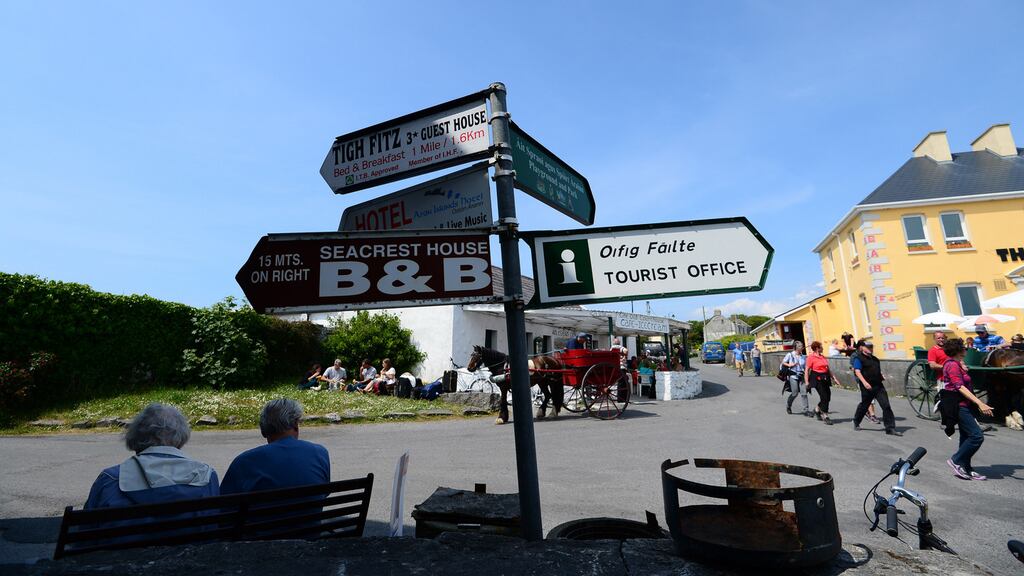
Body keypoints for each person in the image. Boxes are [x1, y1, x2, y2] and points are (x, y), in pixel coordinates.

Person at [85, 403, 219, 510]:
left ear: (136, 436)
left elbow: (84, 532)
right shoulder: (206, 477)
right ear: (181, 437)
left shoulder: (111, 479)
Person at [221, 398, 330, 494]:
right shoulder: (320, 453)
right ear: (295, 425)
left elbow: (223, 506)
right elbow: (324, 492)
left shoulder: (244, 462)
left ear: (263, 431)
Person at [939, 338, 993, 481]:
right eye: (963, 347)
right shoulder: (952, 365)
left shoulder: (958, 364)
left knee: (966, 437)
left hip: (965, 405)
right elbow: (960, 387)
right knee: (976, 436)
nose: (966, 349)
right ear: (958, 350)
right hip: (959, 405)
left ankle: (966, 468)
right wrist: (980, 403)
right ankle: (956, 460)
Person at [852, 340, 899, 435]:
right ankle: (856, 421)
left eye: (872, 347)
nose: (870, 349)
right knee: (864, 405)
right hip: (867, 386)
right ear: (863, 348)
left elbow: (877, 371)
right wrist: (864, 383)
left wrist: (881, 376)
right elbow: (857, 371)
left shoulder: (875, 359)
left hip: (878, 386)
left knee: (886, 406)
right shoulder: (858, 359)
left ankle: (890, 428)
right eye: (868, 347)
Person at [805, 341, 839, 424]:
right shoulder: (811, 357)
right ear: (817, 348)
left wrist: (834, 378)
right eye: (821, 347)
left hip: (825, 378)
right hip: (816, 378)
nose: (823, 348)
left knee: (828, 397)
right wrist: (806, 382)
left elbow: (827, 369)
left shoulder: (822, 357)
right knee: (824, 397)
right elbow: (806, 370)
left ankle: (817, 409)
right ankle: (825, 415)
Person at [782, 341, 808, 415]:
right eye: (800, 346)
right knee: (795, 393)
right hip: (793, 376)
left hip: (801, 376)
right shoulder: (790, 355)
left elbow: (805, 366)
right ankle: (788, 405)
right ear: (796, 347)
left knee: (804, 393)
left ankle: (805, 410)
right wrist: (790, 365)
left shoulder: (803, 356)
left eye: (802, 346)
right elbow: (783, 362)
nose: (802, 347)